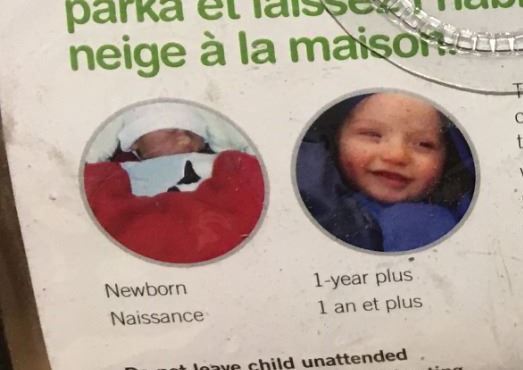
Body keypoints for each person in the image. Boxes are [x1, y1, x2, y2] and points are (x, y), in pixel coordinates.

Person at [83, 103, 265, 265]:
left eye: (193, 133)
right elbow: (86, 169)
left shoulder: (225, 162)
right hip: (151, 232)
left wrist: (222, 129)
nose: (185, 138)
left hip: (215, 228)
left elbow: (257, 161)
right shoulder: (118, 172)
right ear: (135, 142)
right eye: (170, 130)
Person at [296, 92, 474, 252]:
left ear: (449, 157)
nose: (396, 155)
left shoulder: (427, 225)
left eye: (424, 144)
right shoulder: (310, 194)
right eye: (372, 135)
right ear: (336, 139)